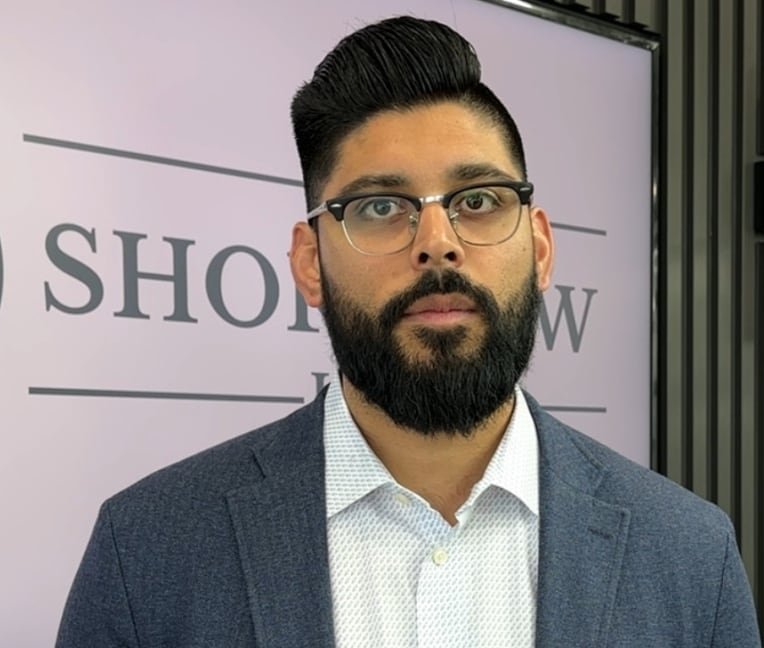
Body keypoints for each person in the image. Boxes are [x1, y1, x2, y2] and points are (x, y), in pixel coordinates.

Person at [55, 15, 761, 648]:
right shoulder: (147, 551)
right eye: (380, 206)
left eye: (478, 201)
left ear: (540, 248)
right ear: (310, 262)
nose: (437, 243)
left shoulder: (689, 554)